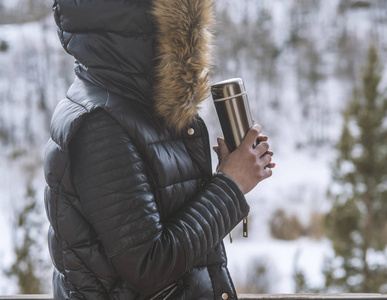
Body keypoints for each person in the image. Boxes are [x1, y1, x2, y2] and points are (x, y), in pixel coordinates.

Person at [44, 0, 275, 299]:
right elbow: (149, 266)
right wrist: (230, 185)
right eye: (186, 33)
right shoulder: (101, 126)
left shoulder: (143, 108)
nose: (193, 51)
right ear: (146, 30)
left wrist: (226, 173)